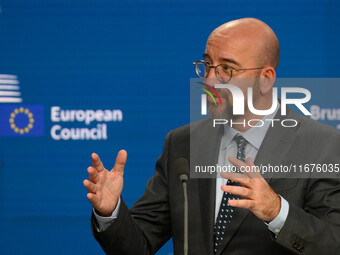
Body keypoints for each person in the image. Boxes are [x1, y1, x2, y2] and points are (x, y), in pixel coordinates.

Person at [83, 18, 340, 254]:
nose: (209, 81)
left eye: (226, 69)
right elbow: (137, 245)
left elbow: (333, 243)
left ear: (265, 78)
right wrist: (111, 212)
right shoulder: (183, 143)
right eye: (207, 65)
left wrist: (277, 211)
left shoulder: (320, 145)